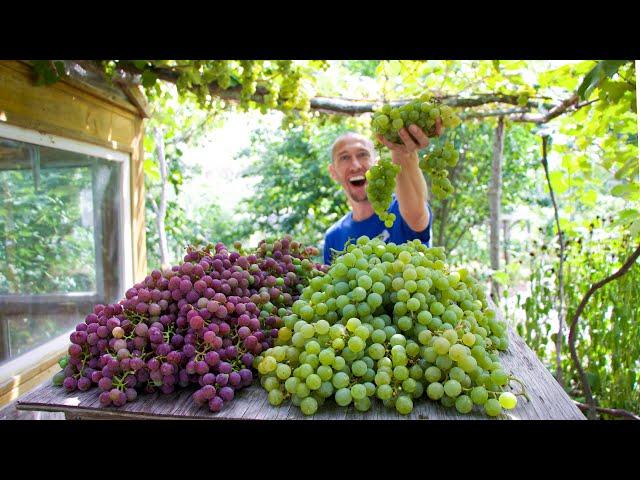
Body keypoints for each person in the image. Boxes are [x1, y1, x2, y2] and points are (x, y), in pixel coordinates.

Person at [323, 121, 443, 265]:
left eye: (363, 154)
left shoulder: (400, 209)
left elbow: (417, 214)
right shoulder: (333, 237)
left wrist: (401, 151)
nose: (355, 165)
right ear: (333, 172)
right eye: (344, 157)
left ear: (377, 164)